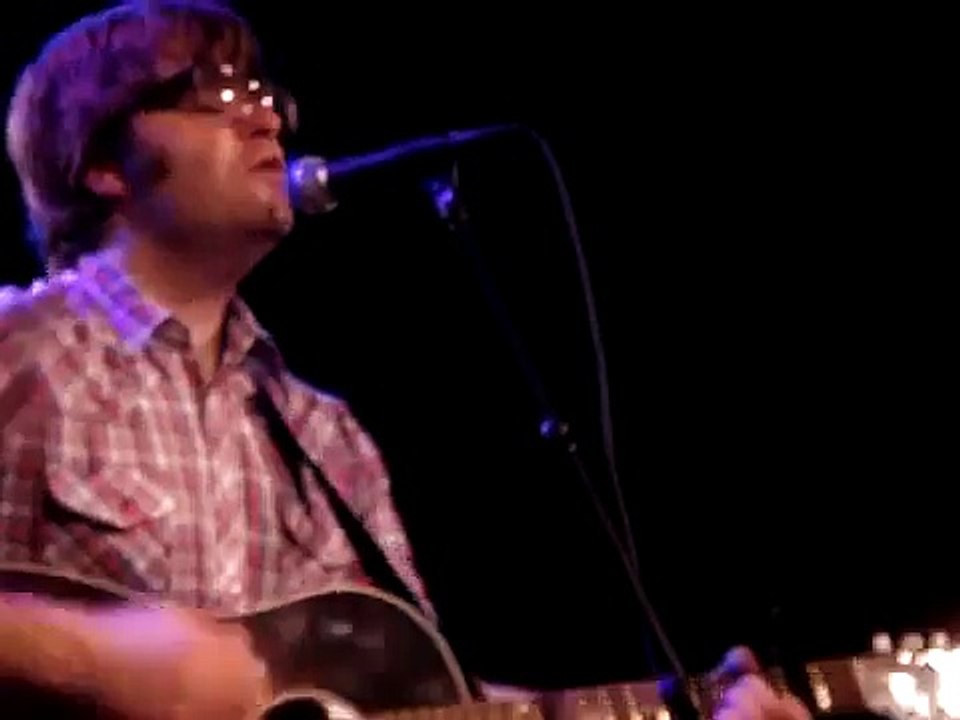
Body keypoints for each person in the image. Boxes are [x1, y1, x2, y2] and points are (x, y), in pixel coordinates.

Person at [0, 2, 812, 719]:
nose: (266, 122)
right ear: (100, 163)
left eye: (264, 97)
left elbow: (421, 703)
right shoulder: (20, 352)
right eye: (214, 94)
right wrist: (99, 663)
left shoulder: (322, 434)